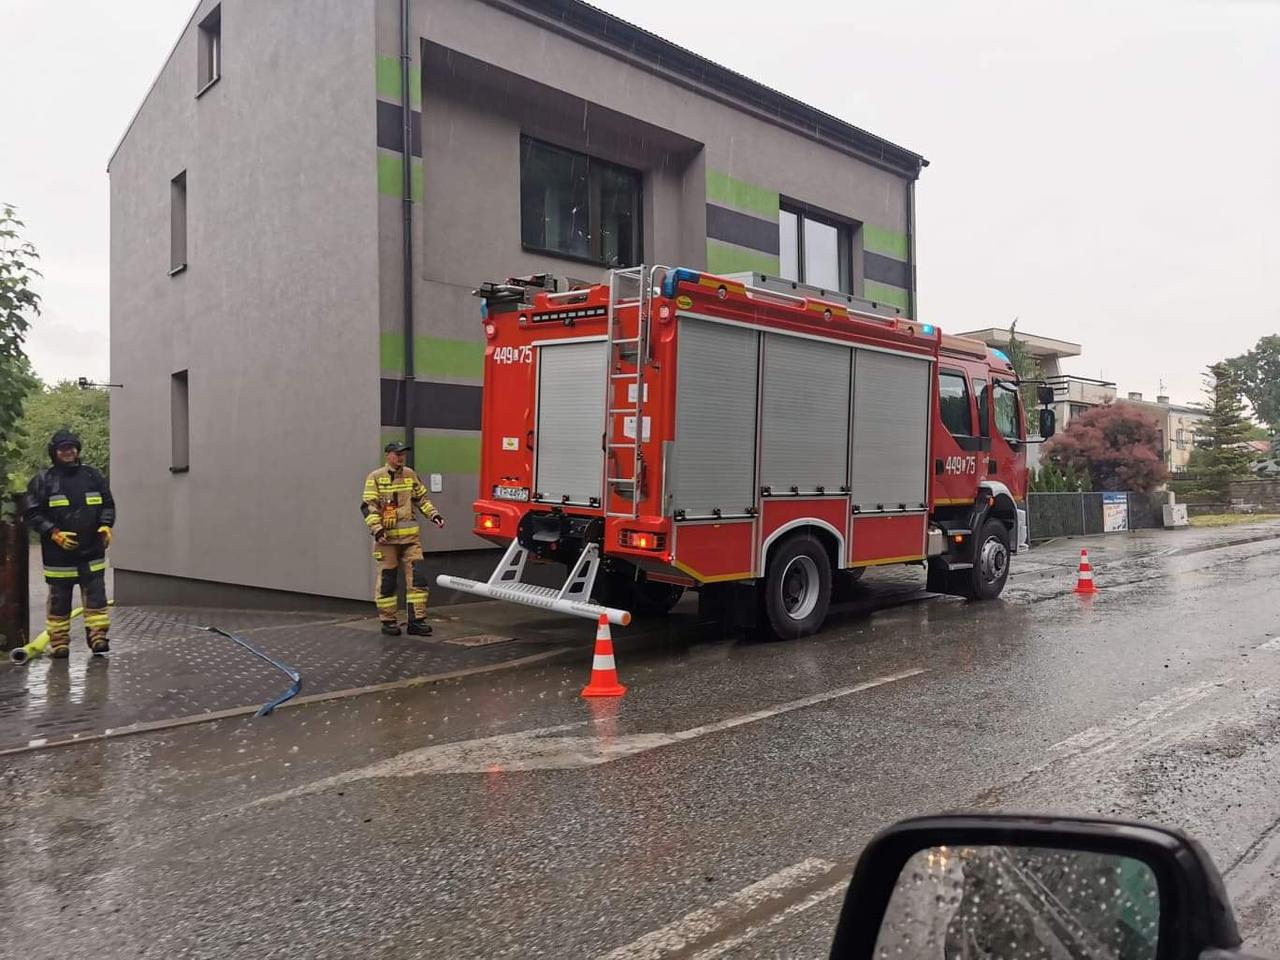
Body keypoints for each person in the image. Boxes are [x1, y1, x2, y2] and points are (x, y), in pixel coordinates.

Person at [23, 430, 115, 658]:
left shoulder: (92, 476)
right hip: (59, 555)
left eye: (72, 448)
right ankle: (59, 642)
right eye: (64, 448)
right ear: (54, 452)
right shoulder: (43, 480)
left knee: (96, 599)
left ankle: (98, 638)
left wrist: (106, 525)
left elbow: (107, 505)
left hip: (92, 550)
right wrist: (53, 533)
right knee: (59, 600)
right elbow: (32, 513)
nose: (69, 452)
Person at [360, 442, 445, 636]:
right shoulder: (376, 477)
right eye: (397, 454)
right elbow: (368, 506)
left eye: (403, 454)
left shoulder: (410, 474)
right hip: (386, 541)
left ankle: (416, 620)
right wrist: (377, 529)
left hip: (410, 540)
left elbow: (422, 499)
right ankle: (388, 621)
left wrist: (434, 515)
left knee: (418, 580)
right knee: (388, 581)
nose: (401, 457)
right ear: (388, 455)